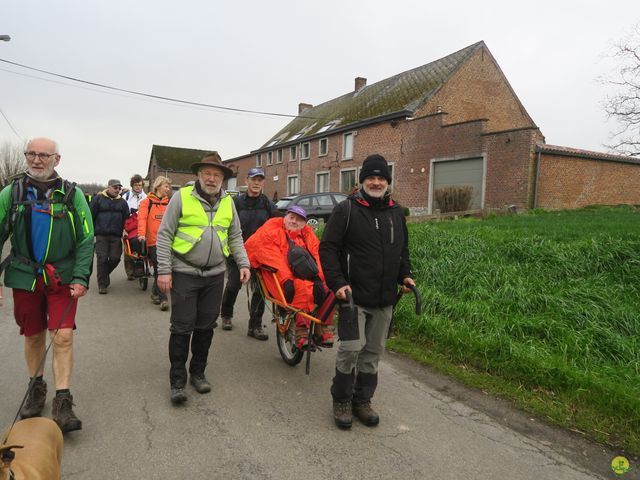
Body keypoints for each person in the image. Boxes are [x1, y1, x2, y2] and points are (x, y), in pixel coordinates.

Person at [0, 137, 94, 433]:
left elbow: (86, 238)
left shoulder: (72, 194)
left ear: (57, 159)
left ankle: (63, 400)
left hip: (62, 277)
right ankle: (36, 387)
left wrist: (80, 276)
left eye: (44, 155)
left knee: (63, 336)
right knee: (33, 336)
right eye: (31, 154)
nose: (37, 160)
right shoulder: (11, 193)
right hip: (24, 275)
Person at [319, 154, 415, 429]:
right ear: (362, 181)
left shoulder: (397, 212)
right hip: (352, 298)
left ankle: (362, 401)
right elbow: (328, 249)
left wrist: (406, 275)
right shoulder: (346, 210)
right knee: (350, 349)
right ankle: (341, 401)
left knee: (373, 352)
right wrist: (338, 283)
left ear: (388, 182)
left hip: (384, 299)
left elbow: (401, 250)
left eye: (381, 178)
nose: (376, 182)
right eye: (371, 178)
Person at [156, 152, 250, 405]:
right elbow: (164, 235)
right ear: (198, 175)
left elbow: (235, 236)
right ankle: (177, 380)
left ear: (223, 178)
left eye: (216, 175)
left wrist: (243, 263)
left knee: (206, 327)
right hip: (184, 271)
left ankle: (198, 372)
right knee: (182, 326)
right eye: (207, 173)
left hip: (215, 273)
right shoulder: (181, 197)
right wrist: (164, 270)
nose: (211, 178)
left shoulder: (228, 202)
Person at [245, 205, 334, 349]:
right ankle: (301, 331)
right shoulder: (273, 230)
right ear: (285, 218)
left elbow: (317, 256)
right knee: (303, 287)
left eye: (299, 220)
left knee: (332, 287)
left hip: (304, 273)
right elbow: (268, 254)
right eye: (291, 217)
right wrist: (286, 279)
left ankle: (322, 325)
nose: (294, 221)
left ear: (304, 223)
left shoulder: (307, 233)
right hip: (279, 276)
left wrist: (319, 277)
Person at [220, 167, 277, 340]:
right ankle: (226, 315)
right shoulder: (235, 202)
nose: (256, 183)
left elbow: (277, 220)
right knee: (233, 285)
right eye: (253, 179)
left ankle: (255, 325)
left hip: (260, 253)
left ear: (263, 183)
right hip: (238, 251)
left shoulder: (266, 203)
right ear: (246, 182)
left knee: (260, 289)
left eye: (259, 180)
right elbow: (225, 223)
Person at [90, 179, 130, 294]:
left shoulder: (122, 202)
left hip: (116, 235)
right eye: (115, 187)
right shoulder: (98, 199)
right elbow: (91, 215)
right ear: (108, 187)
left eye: (119, 188)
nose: (117, 190)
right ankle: (102, 285)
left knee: (115, 258)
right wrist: (90, 232)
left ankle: (103, 274)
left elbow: (126, 218)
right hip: (101, 234)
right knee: (102, 258)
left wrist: (125, 230)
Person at [138, 176, 171, 311]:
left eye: (169, 187)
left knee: (163, 268)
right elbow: (142, 219)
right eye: (166, 186)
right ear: (158, 186)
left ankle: (154, 292)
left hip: (167, 241)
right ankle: (163, 299)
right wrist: (141, 234)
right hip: (153, 241)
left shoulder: (169, 203)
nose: (168, 189)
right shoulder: (147, 202)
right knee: (160, 267)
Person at [122, 174, 147, 280]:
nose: (138, 187)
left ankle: (140, 268)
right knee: (128, 250)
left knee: (142, 247)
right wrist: (123, 229)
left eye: (140, 185)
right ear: (132, 185)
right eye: (136, 185)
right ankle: (130, 272)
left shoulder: (146, 198)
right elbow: (122, 214)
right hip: (128, 225)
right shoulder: (125, 197)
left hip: (141, 225)